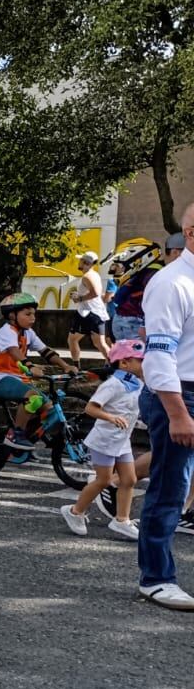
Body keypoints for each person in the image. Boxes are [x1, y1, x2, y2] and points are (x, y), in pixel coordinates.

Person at [137, 204, 194, 611]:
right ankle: (156, 578)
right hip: (179, 393)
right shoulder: (172, 282)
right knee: (170, 487)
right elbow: (159, 354)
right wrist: (177, 412)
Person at [61, 339, 144, 540]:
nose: (145, 365)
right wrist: (111, 417)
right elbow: (91, 407)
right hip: (104, 440)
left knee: (129, 479)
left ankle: (121, 520)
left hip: (122, 440)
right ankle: (74, 511)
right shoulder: (113, 384)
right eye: (140, 360)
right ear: (124, 363)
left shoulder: (138, 384)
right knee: (104, 480)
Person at [0, 292, 70, 450]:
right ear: (12, 315)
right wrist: (30, 366)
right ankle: (16, 436)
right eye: (27, 314)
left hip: (17, 379)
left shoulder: (28, 333)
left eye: (34, 314)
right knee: (32, 398)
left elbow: (46, 352)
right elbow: (14, 351)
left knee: (49, 408)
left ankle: (27, 437)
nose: (33, 318)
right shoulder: (7, 332)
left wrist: (66, 366)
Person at [68, 251, 113, 367]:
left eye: (80, 260)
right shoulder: (94, 275)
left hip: (87, 313)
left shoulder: (87, 276)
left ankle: (75, 368)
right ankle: (114, 366)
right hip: (95, 312)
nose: (79, 262)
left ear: (85, 262)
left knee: (73, 339)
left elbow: (96, 293)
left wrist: (79, 298)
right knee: (99, 343)